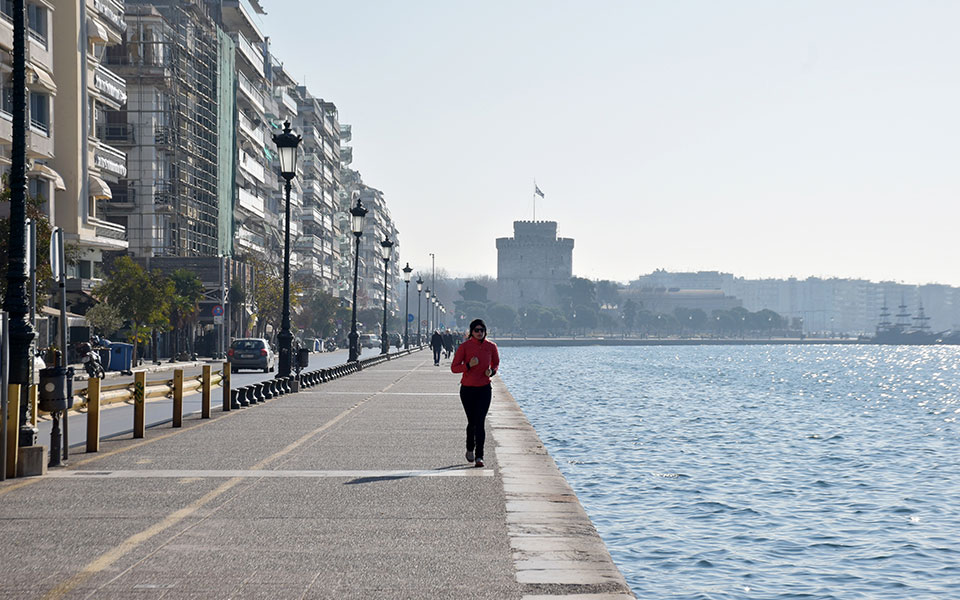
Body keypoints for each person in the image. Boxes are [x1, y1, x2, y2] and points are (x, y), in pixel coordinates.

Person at [450, 318, 499, 468]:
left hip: (484, 389)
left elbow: (496, 363)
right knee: (472, 422)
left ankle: (480, 456)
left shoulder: (491, 346)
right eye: (476, 330)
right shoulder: (465, 347)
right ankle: (470, 447)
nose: (479, 333)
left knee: (480, 422)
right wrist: (468, 366)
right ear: (471, 332)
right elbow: (454, 368)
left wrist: (491, 371)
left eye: (482, 330)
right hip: (468, 389)